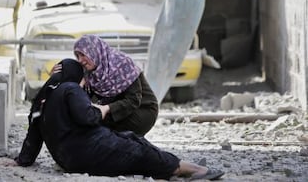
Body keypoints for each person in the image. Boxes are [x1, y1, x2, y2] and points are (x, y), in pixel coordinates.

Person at [14, 58, 224, 180]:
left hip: (68, 159)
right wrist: (101, 110)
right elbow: (88, 117)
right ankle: (191, 169)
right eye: (83, 79)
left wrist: (21, 162)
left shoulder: (42, 99)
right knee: (137, 145)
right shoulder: (70, 89)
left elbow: (33, 138)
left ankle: (175, 165)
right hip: (89, 152)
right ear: (76, 76)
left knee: (133, 150)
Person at [72, 34, 158, 136]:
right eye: (77, 56)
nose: (80, 60)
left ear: (93, 51)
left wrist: (106, 108)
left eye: (82, 54)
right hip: (118, 111)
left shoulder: (122, 63)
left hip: (142, 110)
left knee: (97, 129)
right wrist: (79, 85)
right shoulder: (91, 72)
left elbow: (133, 100)